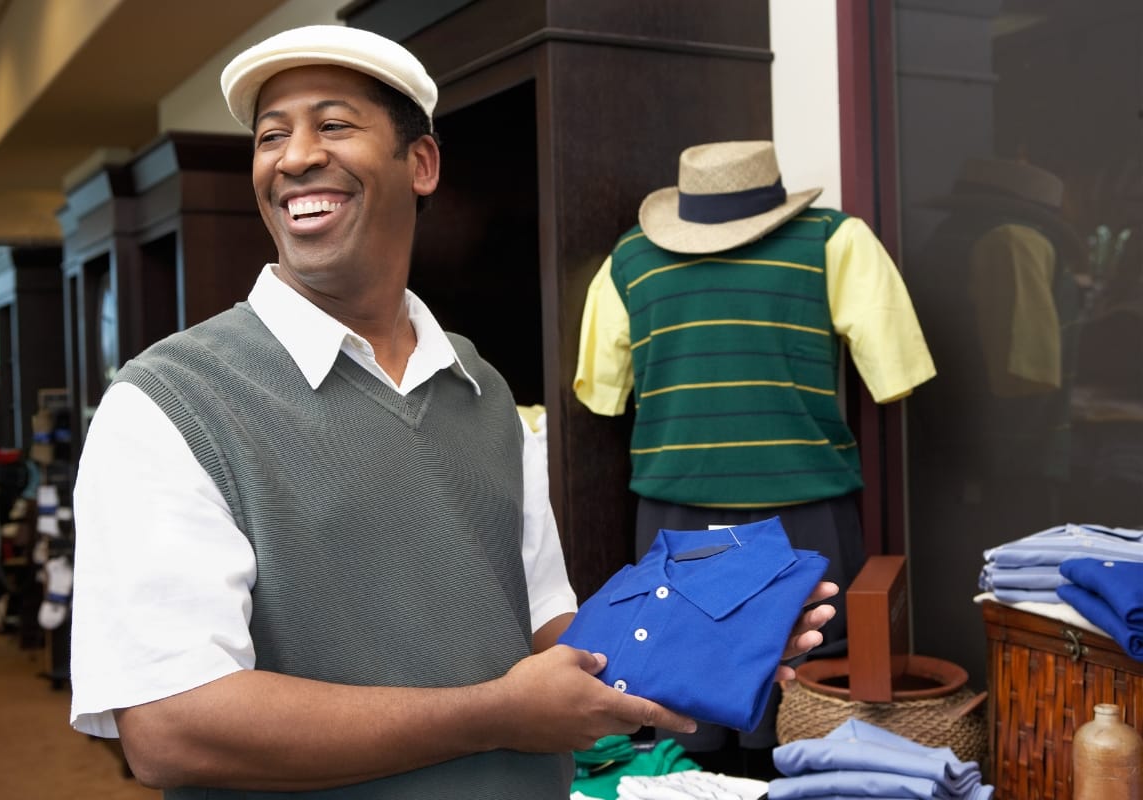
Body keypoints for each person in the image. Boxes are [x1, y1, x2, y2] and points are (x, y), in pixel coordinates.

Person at [68, 25, 838, 799]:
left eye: (332, 124)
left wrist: (702, 652)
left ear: (422, 164)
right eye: (272, 136)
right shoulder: (166, 404)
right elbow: (170, 730)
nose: (295, 156)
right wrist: (495, 716)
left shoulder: (483, 388)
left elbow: (547, 633)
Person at [573, 141, 936, 773]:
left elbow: (602, 393)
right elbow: (896, 367)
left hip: (763, 505)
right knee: (693, 682)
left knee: (805, 683)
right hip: (727, 507)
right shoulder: (833, 243)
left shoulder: (633, 261)